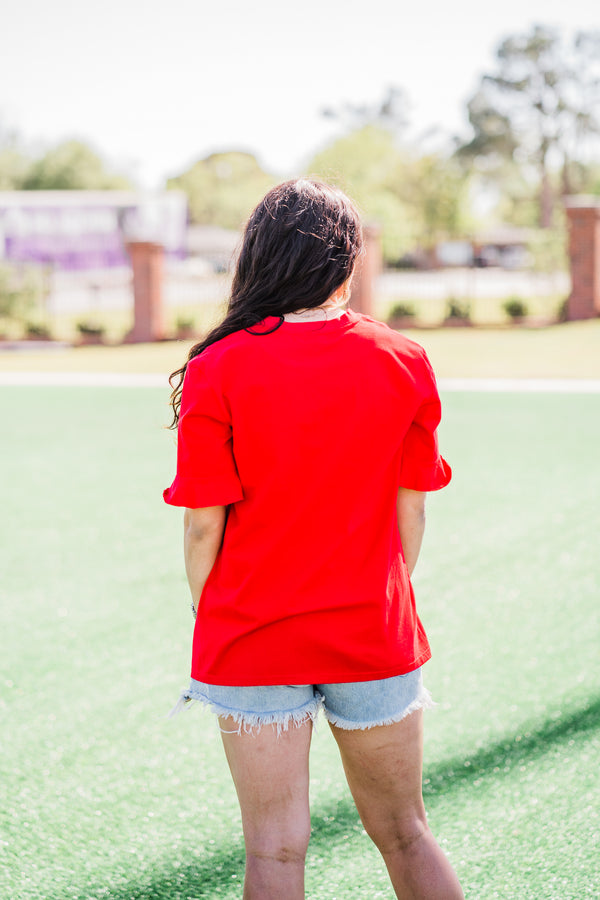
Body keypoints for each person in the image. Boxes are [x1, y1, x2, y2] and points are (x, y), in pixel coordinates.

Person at [164, 178, 464, 900]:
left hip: (253, 636)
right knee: (406, 832)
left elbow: (204, 521)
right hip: (373, 632)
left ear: (258, 256)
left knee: (273, 851)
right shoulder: (403, 358)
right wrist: (375, 593)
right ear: (347, 259)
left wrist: (216, 615)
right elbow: (411, 514)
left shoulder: (218, 366)